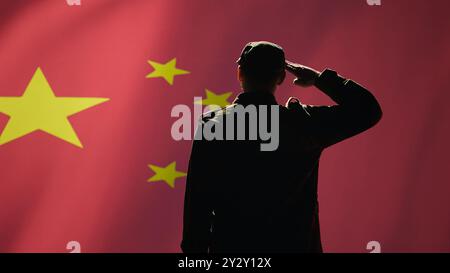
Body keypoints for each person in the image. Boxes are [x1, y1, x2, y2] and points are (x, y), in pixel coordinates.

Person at [181, 41, 382, 253]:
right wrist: (318, 79)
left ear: (240, 73)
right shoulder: (303, 123)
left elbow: (197, 209)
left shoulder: (213, 125)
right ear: (282, 77)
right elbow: (367, 110)